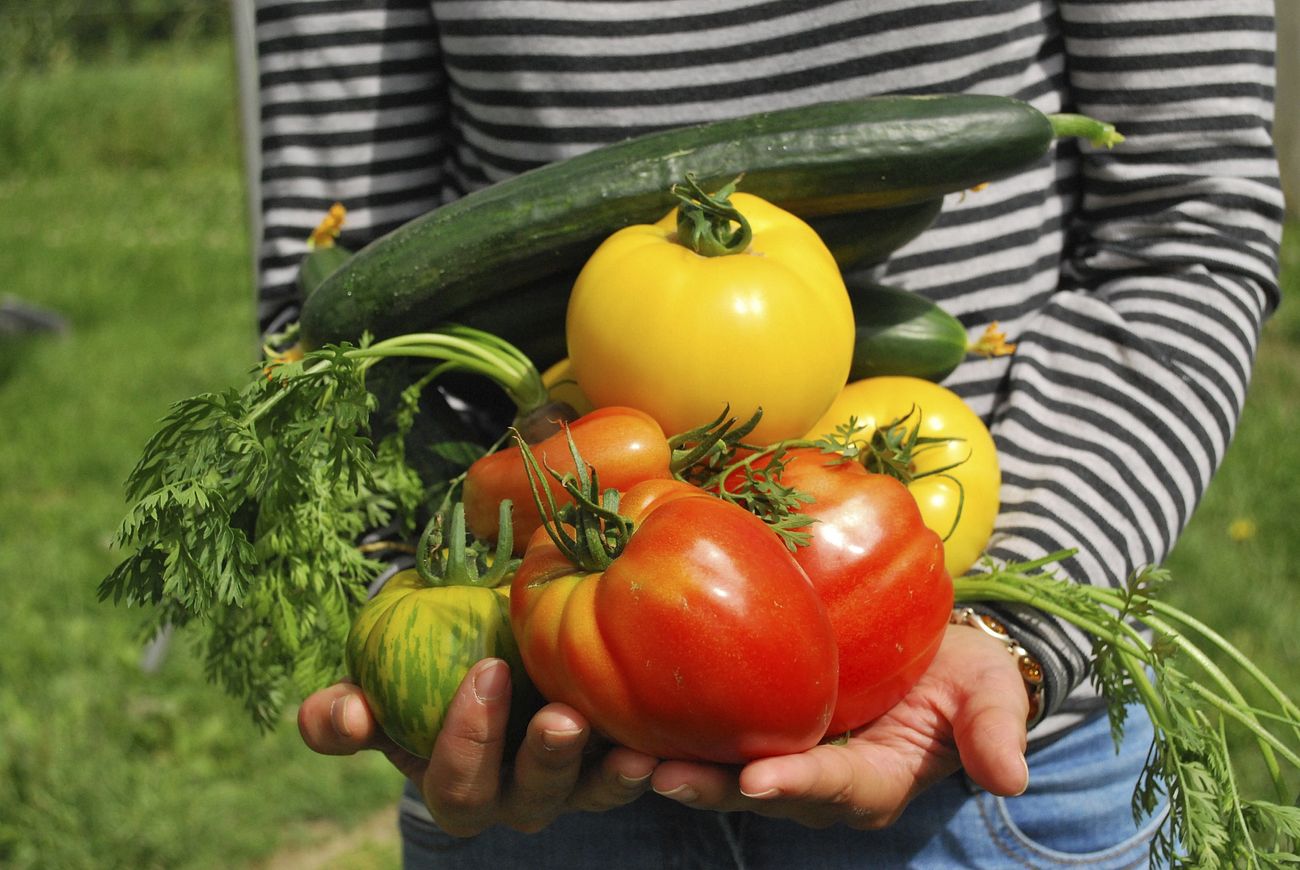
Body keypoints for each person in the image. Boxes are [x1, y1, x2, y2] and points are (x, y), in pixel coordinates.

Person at [255, 1, 1284, 866]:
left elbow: (1187, 228)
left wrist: (1014, 630)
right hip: (534, 715)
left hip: (986, 753)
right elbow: (330, 312)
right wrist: (411, 611)